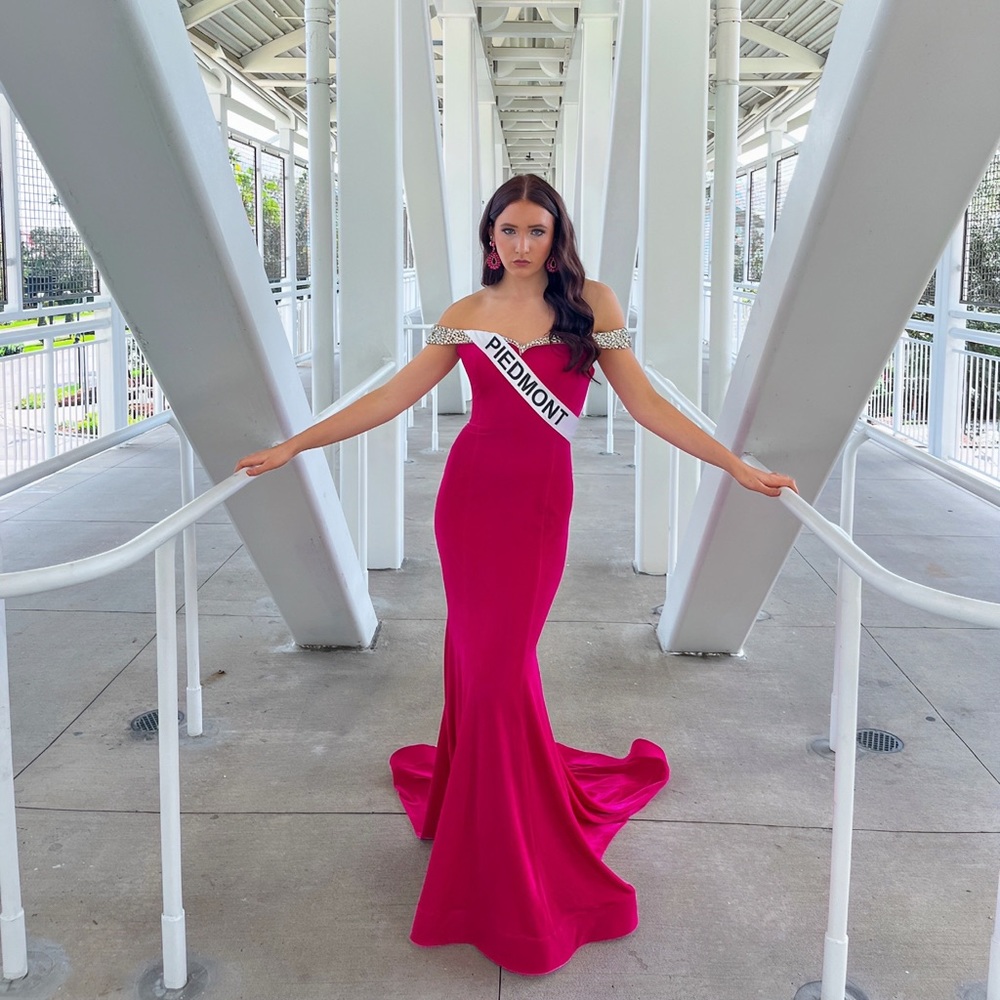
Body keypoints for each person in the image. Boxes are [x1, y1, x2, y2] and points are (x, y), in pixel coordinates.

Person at [236, 174, 797, 975]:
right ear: (489, 236)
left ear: (556, 234)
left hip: (537, 507)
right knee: (482, 663)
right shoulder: (467, 312)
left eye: (537, 230)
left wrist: (733, 465)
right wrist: (297, 444)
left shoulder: (593, 304)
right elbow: (392, 399)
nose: (523, 244)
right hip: (468, 502)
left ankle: (504, 829)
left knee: (501, 666)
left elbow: (647, 406)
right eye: (509, 230)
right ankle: (488, 823)